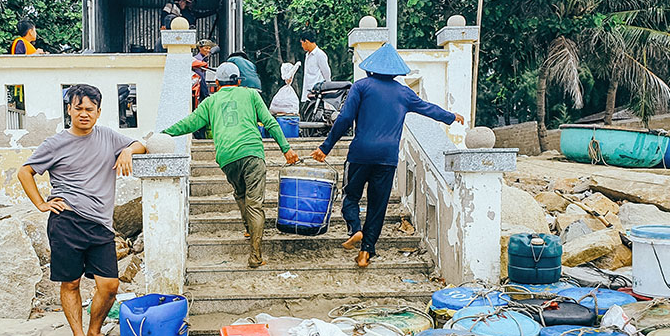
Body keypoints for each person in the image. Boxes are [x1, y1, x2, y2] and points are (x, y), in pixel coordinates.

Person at [312, 43, 464, 268]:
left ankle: (355, 229)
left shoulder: (361, 87)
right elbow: (427, 108)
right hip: (387, 158)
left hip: (360, 154)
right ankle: (366, 253)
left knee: (351, 196)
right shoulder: (404, 93)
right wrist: (451, 117)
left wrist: (325, 147)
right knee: (377, 205)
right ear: (396, 71)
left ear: (370, 68)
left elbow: (344, 119)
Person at [17, 84, 148, 336]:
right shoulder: (55, 144)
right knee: (71, 283)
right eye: (78, 108)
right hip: (67, 221)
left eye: (90, 109)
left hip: (100, 224)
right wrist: (42, 204)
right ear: (69, 110)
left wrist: (127, 151)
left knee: (109, 285)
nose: (84, 114)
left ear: (98, 112)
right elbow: (25, 172)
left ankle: (94, 331)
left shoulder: (109, 137)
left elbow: (141, 144)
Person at [163, 63, 299, 268]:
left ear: (217, 84)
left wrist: (164, 133)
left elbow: (189, 123)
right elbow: (270, 123)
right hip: (252, 153)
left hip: (227, 158)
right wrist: (286, 149)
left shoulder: (211, 101)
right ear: (239, 81)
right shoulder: (251, 95)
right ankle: (255, 256)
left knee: (240, 194)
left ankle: (248, 228)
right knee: (254, 204)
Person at [299, 31, 331, 100]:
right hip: (307, 93)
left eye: (302, 43)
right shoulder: (307, 55)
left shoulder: (320, 55)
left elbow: (326, 74)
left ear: (306, 42)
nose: (302, 46)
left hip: (317, 93)